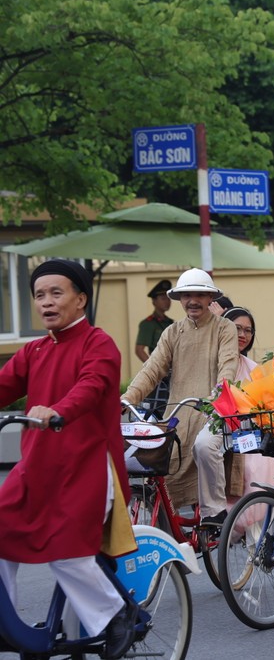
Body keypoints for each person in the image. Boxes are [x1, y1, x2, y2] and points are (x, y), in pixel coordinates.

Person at [0, 260, 138, 659]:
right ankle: (7, 627)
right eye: (39, 295)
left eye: (56, 293)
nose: (46, 302)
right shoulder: (35, 350)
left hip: (87, 468)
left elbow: (91, 387)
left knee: (66, 550)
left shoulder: (99, 344)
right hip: (37, 470)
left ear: (81, 299)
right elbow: (5, 384)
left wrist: (57, 409)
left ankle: (116, 616)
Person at [122, 269, 240, 524]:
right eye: (186, 295)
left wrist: (218, 394)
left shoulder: (225, 328)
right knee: (151, 456)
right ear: (179, 299)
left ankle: (214, 513)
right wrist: (127, 398)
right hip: (178, 415)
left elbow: (228, 366)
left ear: (211, 298)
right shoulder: (172, 332)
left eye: (200, 294)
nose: (193, 300)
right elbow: (152, 369)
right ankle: (167, 534)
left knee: (204, 446)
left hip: (215, 412)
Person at [192, 306, 274, 523]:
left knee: (258, 465)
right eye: (236, 328)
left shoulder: (255, 368)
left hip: (245, 439)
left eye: (248, 330)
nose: (242, 335)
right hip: (211, 429)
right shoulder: (212, 360)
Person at [135, 279, 173, 418]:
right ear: (154, 301)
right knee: (156, 412)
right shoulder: (148, 324)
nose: (167, 302)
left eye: (168, 298)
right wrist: (155, 368)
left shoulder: (171, 323)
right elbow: (139, 350)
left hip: (172, 374)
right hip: (158, 375)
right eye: (163, 298)